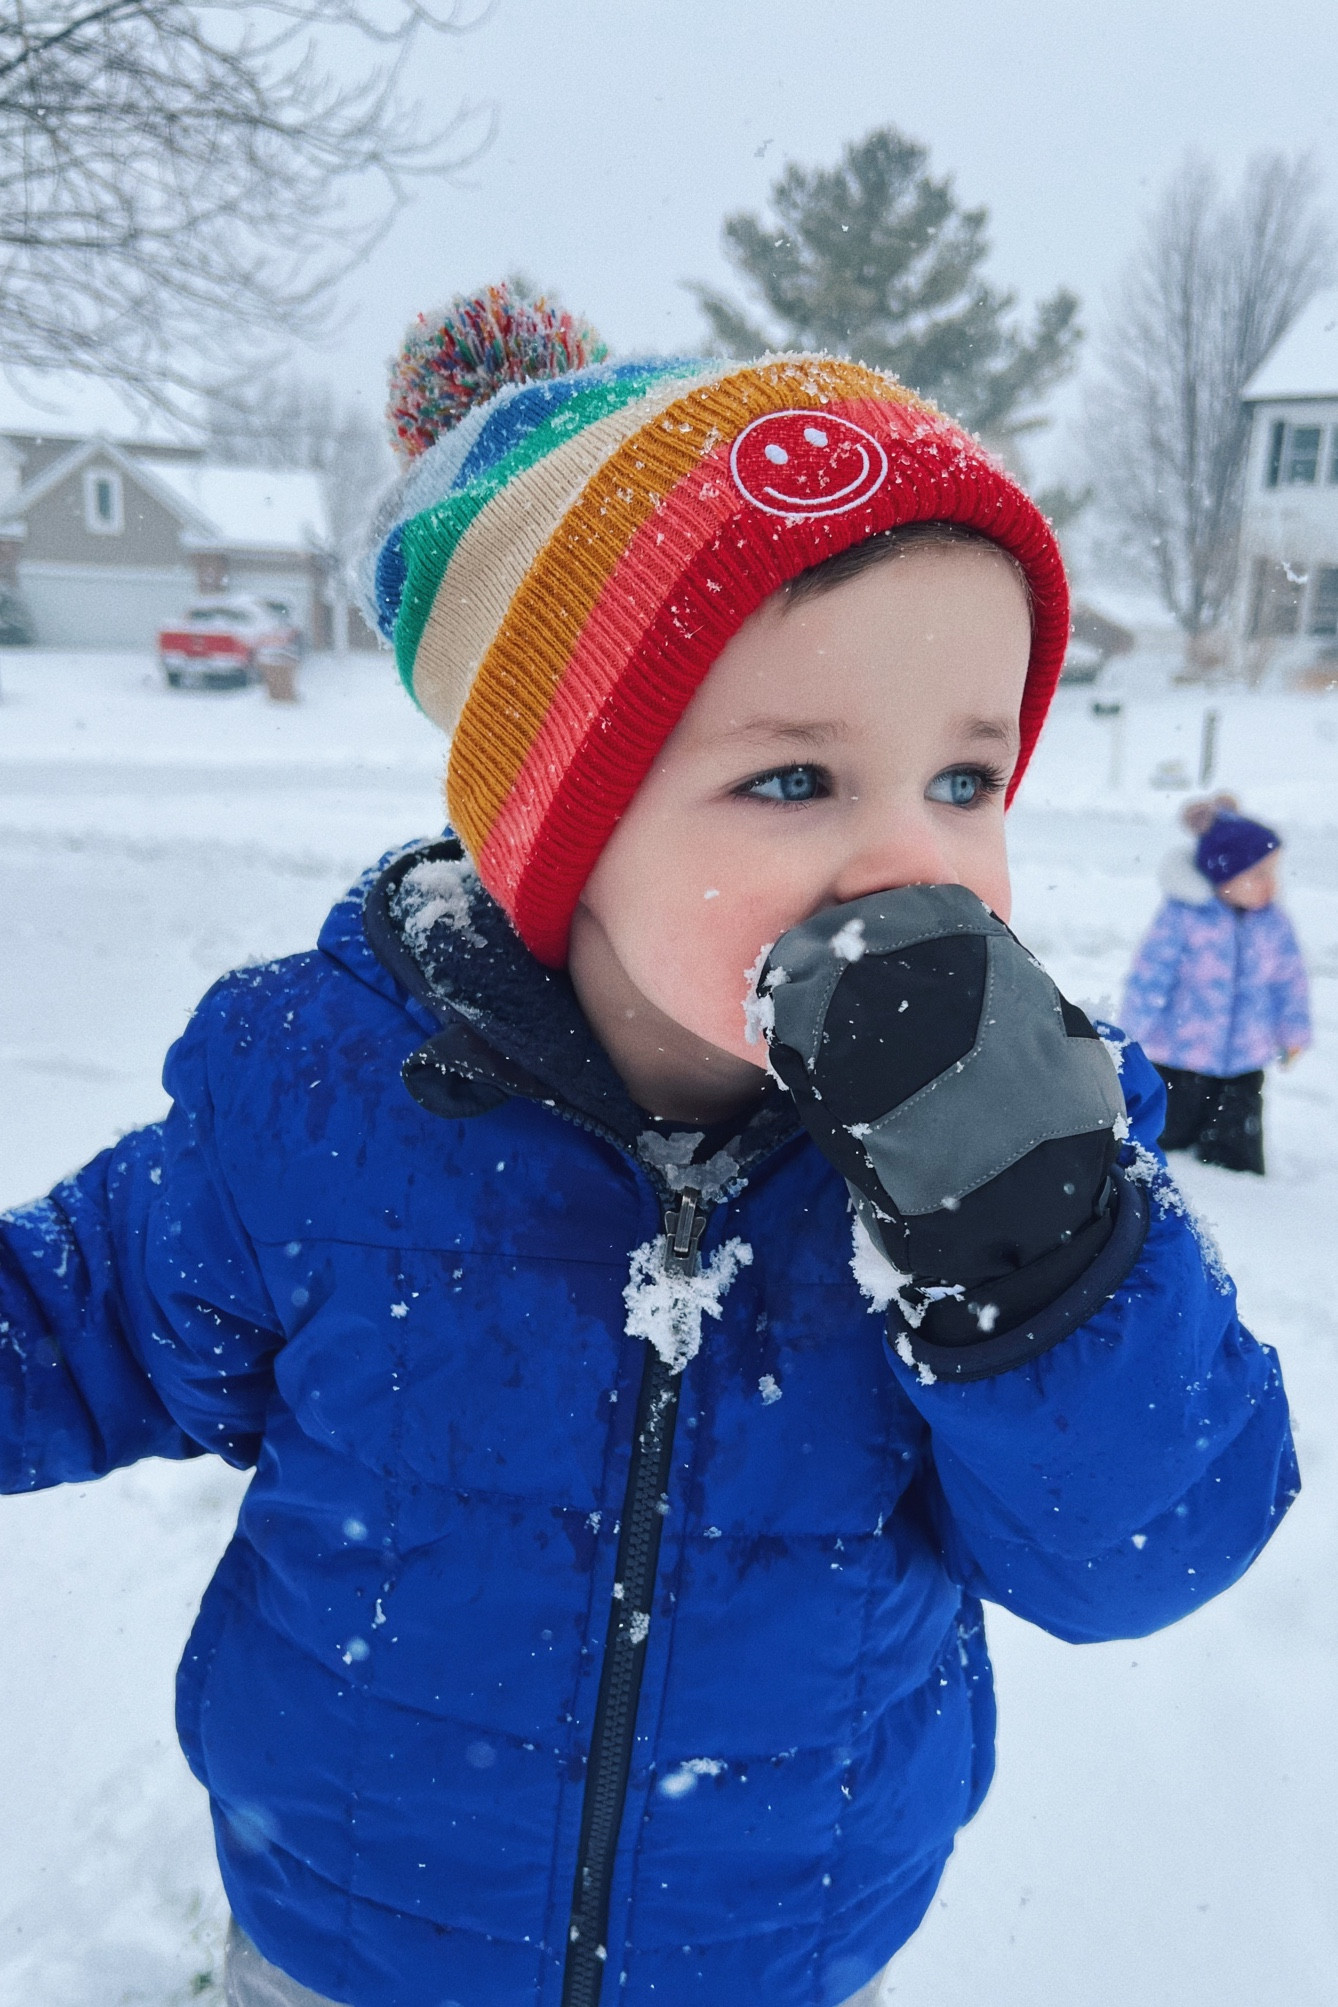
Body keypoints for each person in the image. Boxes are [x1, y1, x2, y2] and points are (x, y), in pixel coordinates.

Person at [0, 286, 1297, 2007]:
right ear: (561, 829)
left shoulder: (1029, 1139)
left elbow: (1143, 1543)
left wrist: (1036, 1262)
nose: (904, 862)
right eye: (791, 782)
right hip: (352, 1940)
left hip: (768, 1950)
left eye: (965, 780)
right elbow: (64, 1324)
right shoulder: (319, 1100)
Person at [1121, 794, 1311, 1176]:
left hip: (1244, 1063)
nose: (1270, 885)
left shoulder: (1272, 924)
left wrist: (1293, 1033)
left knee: (1237, 1160)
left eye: (1274, 873)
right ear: (1224, 876)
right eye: (1258, 875)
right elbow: (1150, 976)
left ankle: (1245, 1202)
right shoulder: (1183, 918)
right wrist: (1130, 1037)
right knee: (1163, 1151)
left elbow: (1289, 982)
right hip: (1178, 1059)